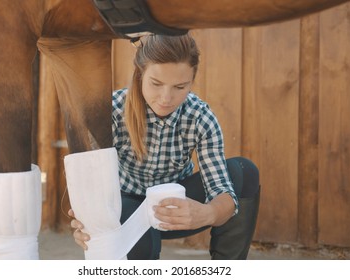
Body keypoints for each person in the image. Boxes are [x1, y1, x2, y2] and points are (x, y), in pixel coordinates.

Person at [68, 33, 260, 260]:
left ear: (192, 80)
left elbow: (222, 190)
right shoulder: (112, 111)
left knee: (244, 171)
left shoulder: (200, 117)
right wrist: (88, 223)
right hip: (125, 206)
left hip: (176, 208)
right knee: (136, 231)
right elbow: (91, 188)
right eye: (156, 84)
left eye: (180, 86)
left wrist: (208, 213)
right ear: (140, 74)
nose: (166, 98)